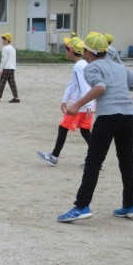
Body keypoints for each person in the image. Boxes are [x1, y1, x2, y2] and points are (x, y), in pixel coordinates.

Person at [57, 32, 133, 222]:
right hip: (127, 118)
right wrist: (129, 107)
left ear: (88, 52)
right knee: (127, 161)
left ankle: (82, 206)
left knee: (93, 162)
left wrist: (77, 105)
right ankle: (131, 205)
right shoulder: (121, 68)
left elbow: (100, 87)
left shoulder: (91, 67)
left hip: (107, 118)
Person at [37, 37, 94, 168]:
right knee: (85, 131)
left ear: (72, 51)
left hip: (79, 105)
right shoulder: (83, 64)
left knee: (63, 128)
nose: (66, 51)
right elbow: (73, 84)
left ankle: (54, 157)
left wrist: (87, 105)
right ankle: (96, 159)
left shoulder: (78, 67)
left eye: (67, 49)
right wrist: (65, 99)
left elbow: (84, 87)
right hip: (86, 105)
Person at [0, 32, 20, 103]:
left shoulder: (5, 48)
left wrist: (1, 69)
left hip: (6, 68)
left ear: (6, 40)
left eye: (3, 39)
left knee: (2, 82)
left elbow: (4, 60)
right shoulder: (13, 49)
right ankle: (16, 98)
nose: (2, 41)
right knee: (12, 83)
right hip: (12, 68)